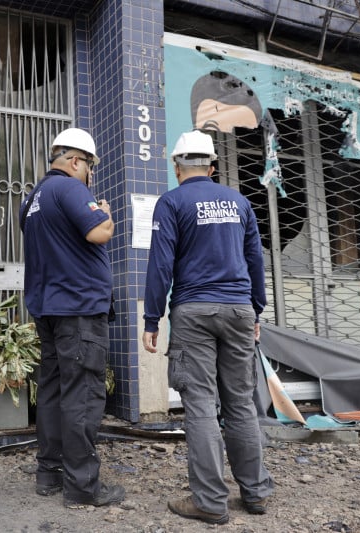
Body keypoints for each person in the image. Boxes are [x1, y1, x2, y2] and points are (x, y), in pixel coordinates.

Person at [142, 130, 274, 525]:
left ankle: (211, 502)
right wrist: (256, 311)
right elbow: (255, 260)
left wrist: (152, 318)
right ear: (212, 167)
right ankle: (255, 493)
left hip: (193, 311)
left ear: (177, 167)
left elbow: (161, 264)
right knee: (240, 401)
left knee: (200, 403)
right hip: (238, 311)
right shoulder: (240, 202)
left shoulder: (172, 202)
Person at [20, 127, 124, 508]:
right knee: (81, 394)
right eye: (89, 167)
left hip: (48, 308)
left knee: (51, 392)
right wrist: (107, 215)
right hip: (78, 309)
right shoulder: (70, 188)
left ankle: (49, 473)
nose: (90, 175)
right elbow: (98, 232)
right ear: (76, 160)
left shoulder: (32, 198)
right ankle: (82, 487)